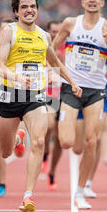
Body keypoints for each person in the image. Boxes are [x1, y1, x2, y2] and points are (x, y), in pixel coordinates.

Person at [0, 0, 82, 212]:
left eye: (32, 6)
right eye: (23, 7)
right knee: (5, 152)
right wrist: (17, 77)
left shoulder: (44, 36)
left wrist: (71, 82)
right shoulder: (9, 32)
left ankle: (28, 196)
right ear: (16, 11)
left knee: (40, 142)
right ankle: (16, 140)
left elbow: (55, 63)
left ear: (37, 10)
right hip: (10, 95)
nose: (29, 10)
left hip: (35, 95)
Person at [51, 0, 107, 209]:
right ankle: (79, 182)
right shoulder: (70, 23)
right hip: (71, 88)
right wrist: (59, 73)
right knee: (66, 142)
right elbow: (51, 51)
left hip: (96, 91)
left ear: (102, 3)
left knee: (91, 142)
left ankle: (80, 191)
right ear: (82, 2)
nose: (92, 0)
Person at [0, 19, 27, 198]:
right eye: (3, 28)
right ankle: (2, 184)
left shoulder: (20, 49)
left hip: (21, 98)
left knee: (17, 153)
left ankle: (18, 141)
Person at [43, 20, 63, 191]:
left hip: (67, 95)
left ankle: (52, 172)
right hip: (49, 94)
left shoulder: (68, 48)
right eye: (54, 31)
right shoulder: (43, 47)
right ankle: (44, 154)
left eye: (59, 31)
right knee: (48, 125)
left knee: (60, 139)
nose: (57, 35)